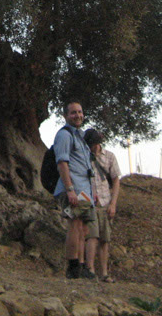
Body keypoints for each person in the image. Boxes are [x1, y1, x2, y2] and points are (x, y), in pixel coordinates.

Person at [53, 102, 97, 279]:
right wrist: (70, 189)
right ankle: (72, 266)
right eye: (73, 113)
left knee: (83, 229)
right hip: (73, 188)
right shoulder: (64, 135)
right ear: (65, 116)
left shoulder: (80, 137)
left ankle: (80, 266)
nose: (77, 115)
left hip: (84, 190)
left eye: (80, 112)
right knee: (75, 224)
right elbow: (62, 163)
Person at [83, 129, 121, 282]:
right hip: (90, 203)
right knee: (92, 236)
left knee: (104, 239)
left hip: (105, 202)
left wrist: (113, 203)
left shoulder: (109, 157)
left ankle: (104, 273)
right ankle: (90, 270)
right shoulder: (84, 157)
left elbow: (116, 180)